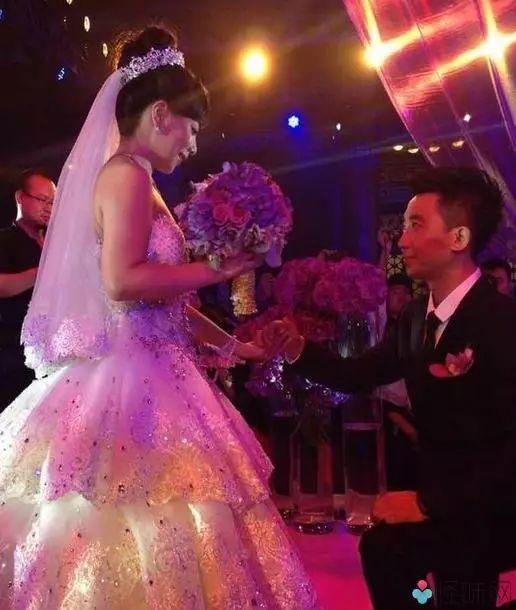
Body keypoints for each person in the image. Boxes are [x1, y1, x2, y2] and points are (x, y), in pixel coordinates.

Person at [0, 26, 318, 609]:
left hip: (156, 367)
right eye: (192, 128)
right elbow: (122, 282)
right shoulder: (125, 175)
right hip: (128, 380)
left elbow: (167, 300)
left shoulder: (140, 181)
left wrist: (236, 347)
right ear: (161, 114)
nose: (194, 144)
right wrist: (214, 269)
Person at [268, 167, 516, 610]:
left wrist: (430, 503)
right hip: (446, 502)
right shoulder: (416, 317)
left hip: (496, 505)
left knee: (413, 557)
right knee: (385, 550)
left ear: (459, 238)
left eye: (415, 225)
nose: (402, 241)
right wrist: (297, 348)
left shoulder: (502, 322)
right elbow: (358, 374)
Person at [0, 170, 55, 411]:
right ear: (20, 197)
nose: (48, 207)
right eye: (42, 199)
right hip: (16, 351)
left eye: (52, 202)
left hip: (53, 347)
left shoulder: (55, 241)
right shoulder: (5, 240)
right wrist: (39, 274)